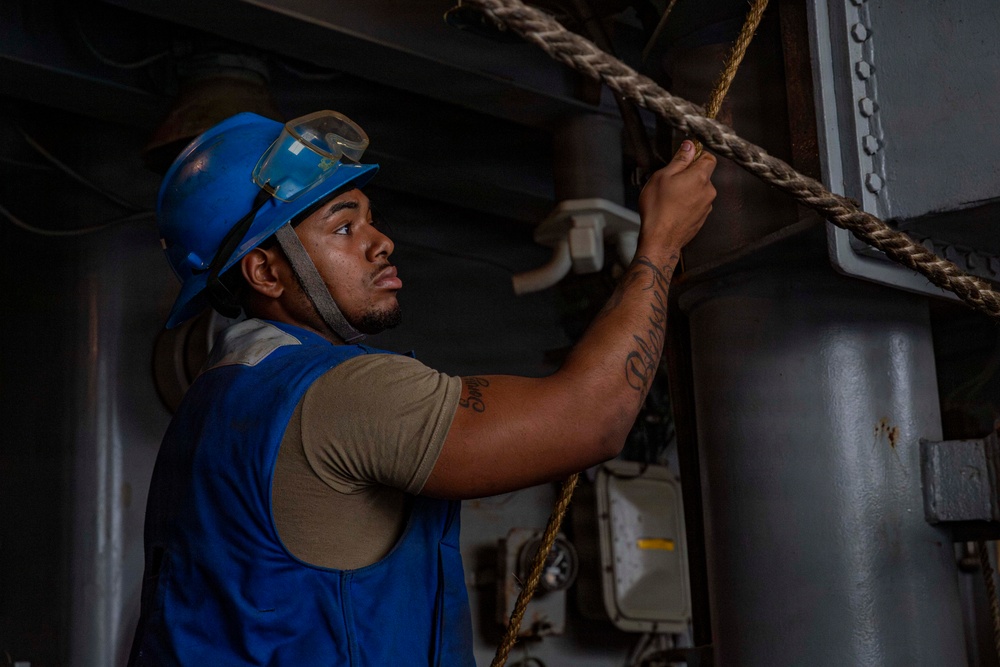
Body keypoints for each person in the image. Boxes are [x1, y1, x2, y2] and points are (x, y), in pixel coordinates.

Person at [127, 110, 716, 666]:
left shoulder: (212, 403)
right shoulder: (338, 393)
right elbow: (594, 418)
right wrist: (660, 245)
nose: (380, 242)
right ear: (265, 272)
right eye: (344, 226)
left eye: (370, 219)